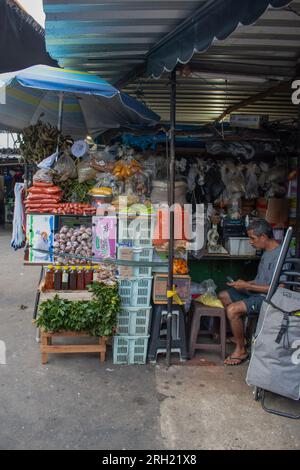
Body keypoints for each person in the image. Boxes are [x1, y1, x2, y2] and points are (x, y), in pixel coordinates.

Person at [218, 219, 284, 366]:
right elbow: (260, 281)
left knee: (233, 310)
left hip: (268, 299)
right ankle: (241, 337)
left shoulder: (281, 255)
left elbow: (279, 289)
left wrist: (248, 286)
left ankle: (241, 350)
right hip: (256, 293)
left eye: (252, 238)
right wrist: (245, 284)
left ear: (264, 237)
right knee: (223, 296)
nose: (250, 242)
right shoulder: (267, 252)